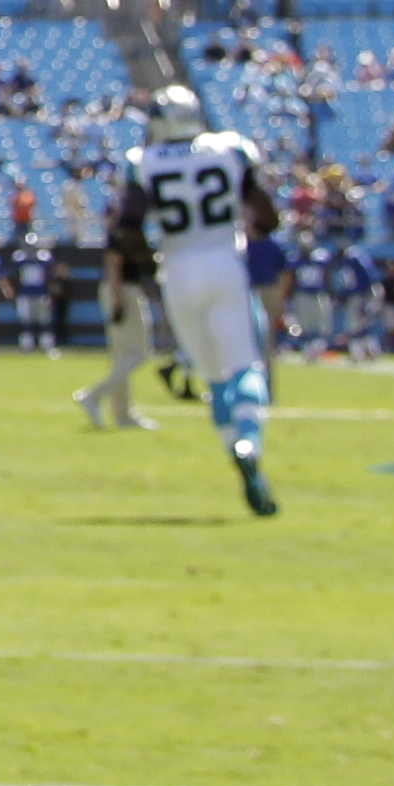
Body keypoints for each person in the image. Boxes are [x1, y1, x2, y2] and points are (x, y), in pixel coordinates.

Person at [127, 83, 280, 517]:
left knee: (213, 381)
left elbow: (126, 225)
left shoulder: (144, 162)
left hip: (176, 268)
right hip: (223, 262)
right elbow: (266, 214)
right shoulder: (228, 149)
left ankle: (238, 452)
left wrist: (148, 270)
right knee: (245, 367)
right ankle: (249, 442)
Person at [75, 189, 160, 432]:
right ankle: (92, 396)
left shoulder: (122, 234)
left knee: (122, 356)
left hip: (122, 291)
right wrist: (119, 301)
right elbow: (114, 268)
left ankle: (123, 413)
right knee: (140, 353)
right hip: (122, 291)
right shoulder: (119, 235)